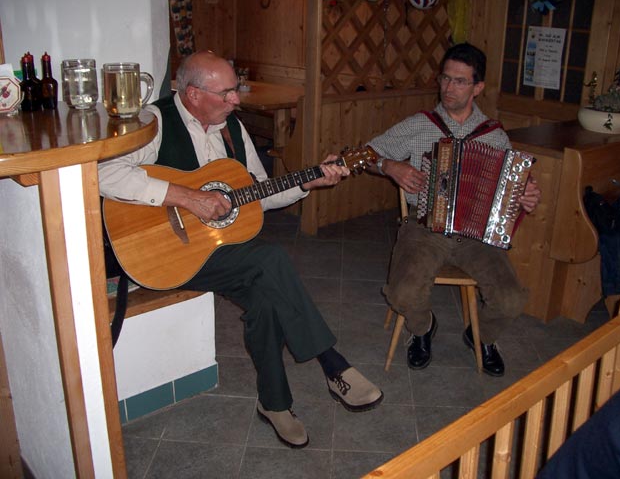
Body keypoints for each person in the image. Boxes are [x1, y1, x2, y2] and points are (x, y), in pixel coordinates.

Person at [98, 51, 383, 448]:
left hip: (220, 249)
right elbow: (103, 174)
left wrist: (308, 182)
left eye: (237, 90)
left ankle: (275, 404)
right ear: (193, 94)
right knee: (271, 258)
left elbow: (259, 195)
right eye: (228, 92)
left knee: (267, 298)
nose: (237, 100)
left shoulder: (232, 129)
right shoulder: (155, 120)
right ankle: (332, 362)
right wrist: (186, 197)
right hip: (164, 253)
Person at [366, 43, 541, 376]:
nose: (448, 88)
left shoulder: (494, 135)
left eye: (459, 81)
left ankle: (479, 336)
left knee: (510, 299)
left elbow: (511, 190)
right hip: (424, 224)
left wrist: (525, 196)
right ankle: (422, 329)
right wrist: (389, 166)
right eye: (445, 79)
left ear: (478, 88)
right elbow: (366, 154)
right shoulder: (419, 124)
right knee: (403, 292)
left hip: (475, 234)